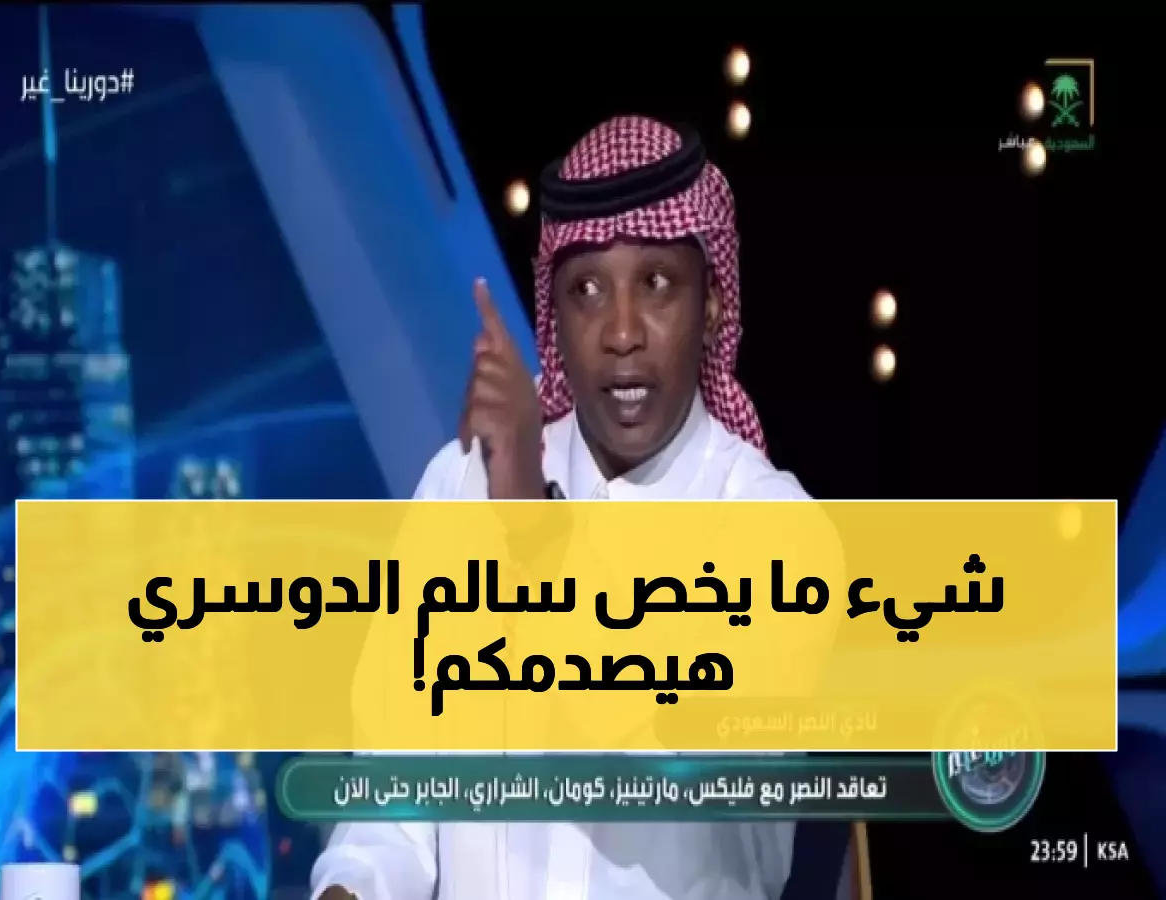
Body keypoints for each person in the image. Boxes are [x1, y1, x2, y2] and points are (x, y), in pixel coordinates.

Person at [311, 116, 856, 900]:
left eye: (657, 283)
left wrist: (530, 527)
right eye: (588, 291)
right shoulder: (460, 488)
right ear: (553, 318)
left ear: (712, 305)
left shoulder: (779, 534)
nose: (622, 332)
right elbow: (392, 799)